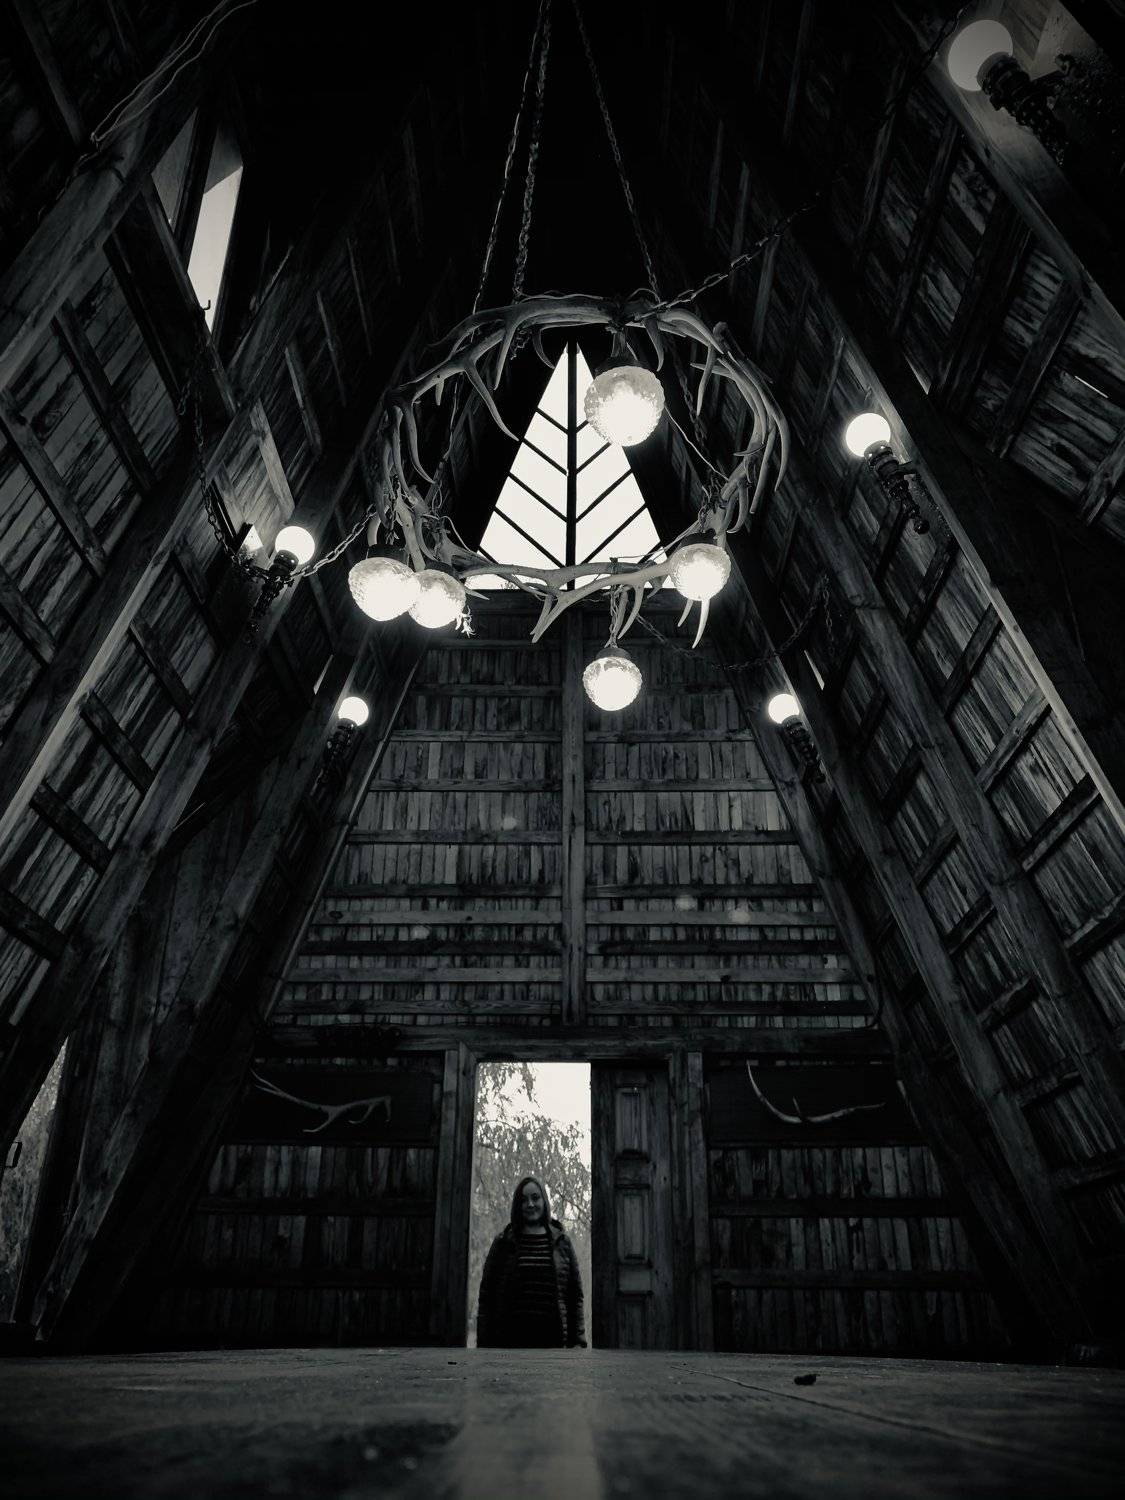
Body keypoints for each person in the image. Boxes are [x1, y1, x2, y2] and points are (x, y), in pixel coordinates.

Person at [476, 1176, 587, 1348]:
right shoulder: (503, 1243)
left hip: (554, 1344)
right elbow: (487, 1296)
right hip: (509, 1344)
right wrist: (483, 1343)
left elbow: (575, 1296)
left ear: (544, 1201)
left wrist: (578, 1341)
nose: (530, 1204)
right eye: (524, 1200)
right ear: (517, 1205)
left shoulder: (562, 1242)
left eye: (535, 1198)